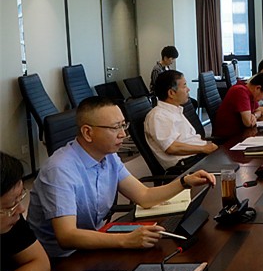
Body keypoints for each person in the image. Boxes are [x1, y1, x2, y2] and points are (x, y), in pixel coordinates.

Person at [27, 97, 217, 257]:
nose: (123, 134)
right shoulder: (60, 169)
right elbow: (67, 236)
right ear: (88, 133)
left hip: (94, 244)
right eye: (115, 127)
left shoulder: (108, 156)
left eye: (123, 125)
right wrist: (126, 240)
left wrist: (184, 182)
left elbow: (144, 196)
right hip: (59, 260)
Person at [0, 153, 50, 271]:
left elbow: (39, 263)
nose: (21, 209)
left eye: (19, 198)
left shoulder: (11, 219)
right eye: (10, 205)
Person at [145, 70, 218, 171]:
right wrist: (203, 148)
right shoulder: (158, 116)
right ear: (171, 93)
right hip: (186, 164)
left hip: (198, 156)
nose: (188, 89)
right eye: (184, 86)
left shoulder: (175, 110)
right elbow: (171, 147)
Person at [212, 73, 263, 140]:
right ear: (258, 88)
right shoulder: (240, 91)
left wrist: (254, 115)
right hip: (229, 138)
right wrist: (254, 115)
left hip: (241, 133)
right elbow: (248, 123)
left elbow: (259, 110)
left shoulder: (249, 92)